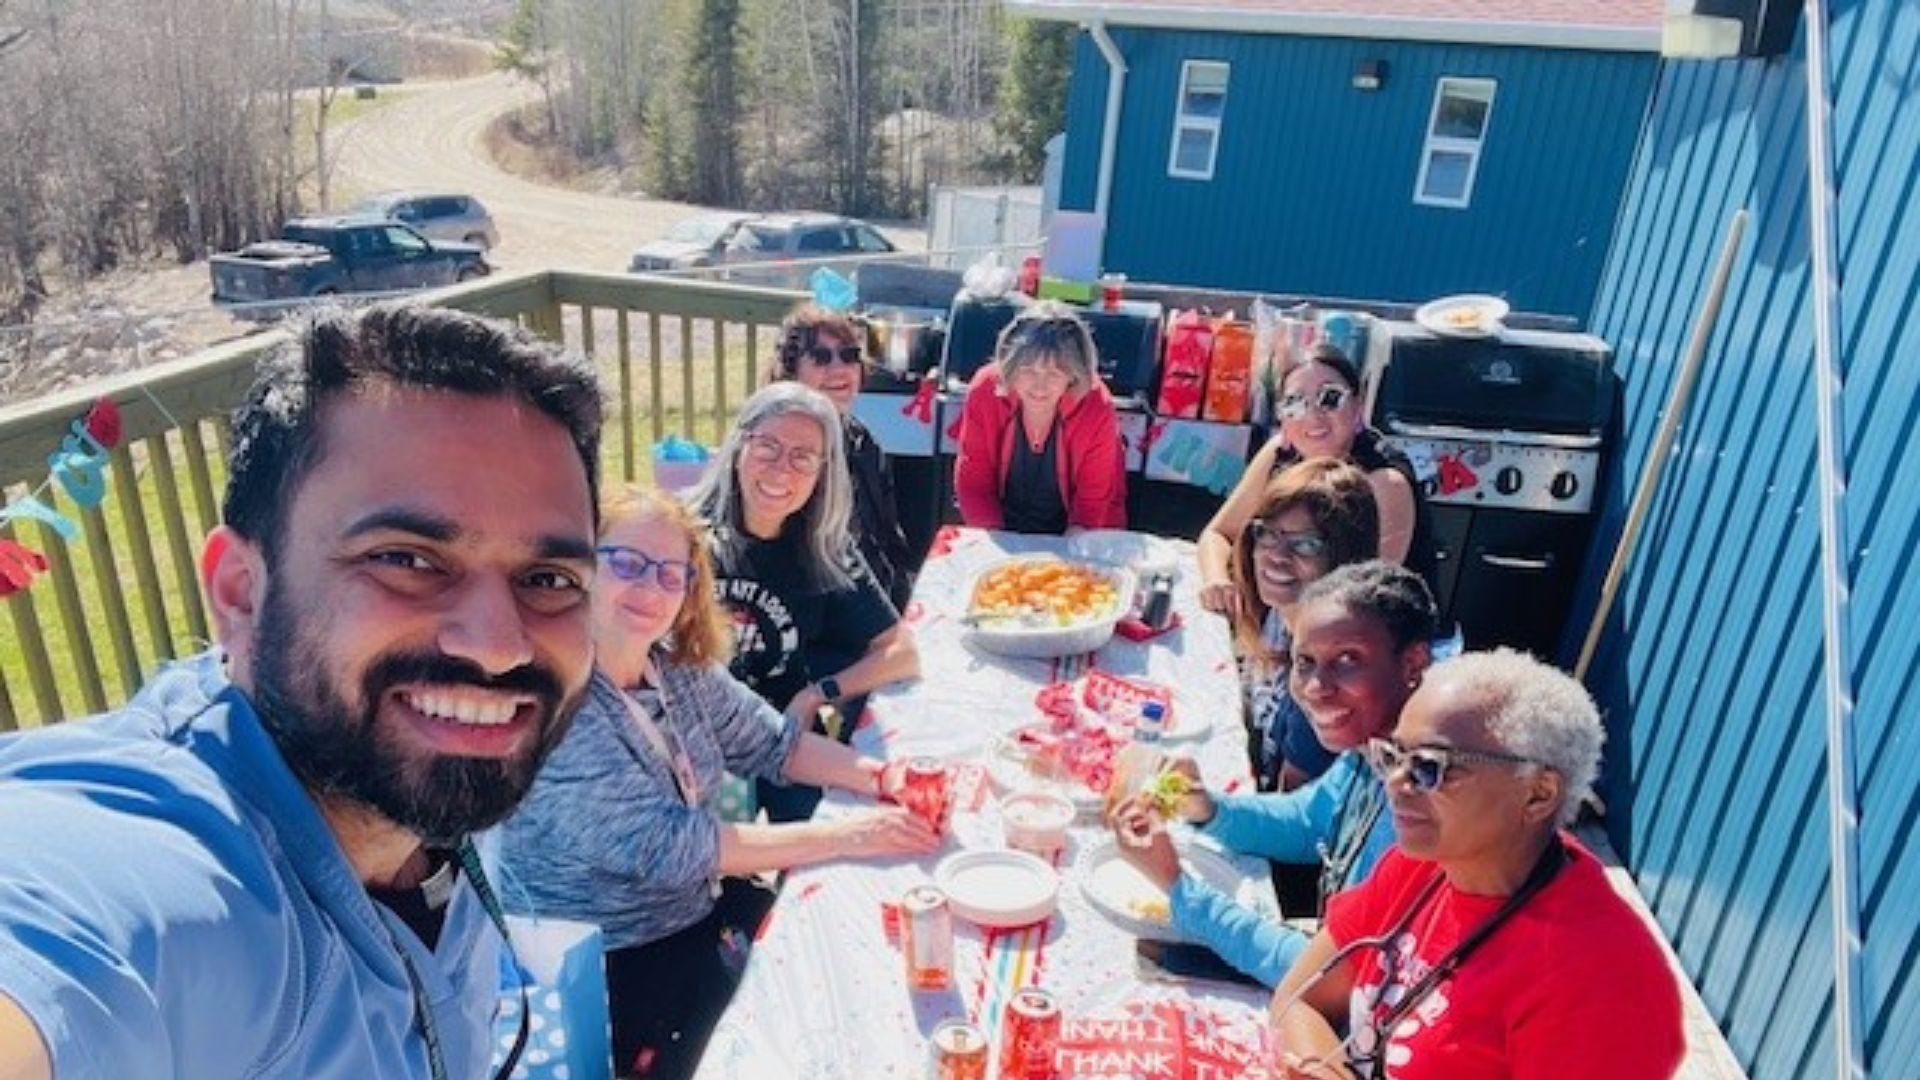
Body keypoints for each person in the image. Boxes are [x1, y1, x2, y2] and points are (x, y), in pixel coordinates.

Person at [0, 304, 605, 1080]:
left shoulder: (417, 779)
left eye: (548, 579)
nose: (497, 646)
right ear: (240, 591)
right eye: (406, 560)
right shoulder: (158, 865)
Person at [499, 485, 940, 1080]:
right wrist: (854, 834)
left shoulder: (674, 667)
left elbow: (777, 745)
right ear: (582, 568)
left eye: (670, 573)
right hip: (610, 965)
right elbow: (680, 848)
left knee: (861, 957)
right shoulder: (558, 708)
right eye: (627, 563)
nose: (650, 587)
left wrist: (887, 776)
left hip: (698, 910)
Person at [1269, 649, 1686, 1080]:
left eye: (1430, 767)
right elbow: (1299, 1000)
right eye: (1392, 755)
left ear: (1538, 793)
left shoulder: (1598, 984)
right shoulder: (1424, 865)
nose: (1395, 782)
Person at [1108, 561, 1438, 988]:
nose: (1316, 686)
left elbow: (1336, 978)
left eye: (1347, 660)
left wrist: (1178, 886)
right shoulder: (1373, 750)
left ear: (1413, 664)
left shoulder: (1425, 804)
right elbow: (1307, 821)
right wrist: (1207, 808)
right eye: (1305, 661)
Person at [690, 382, 920, 822]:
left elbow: (901, 652)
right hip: (693, 738)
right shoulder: (681, 538)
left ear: (822, 473)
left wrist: (818, 693)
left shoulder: (824, 549)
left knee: (853, 820)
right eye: (768, 446)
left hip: (785, 735)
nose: (782, 469)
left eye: (803, 457)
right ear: (738, 446)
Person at [1197, 343, 1436, 616]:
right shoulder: (1279, 453)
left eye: (1330, 398)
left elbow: (1362, 607)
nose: (1312, 415)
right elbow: (1219, 534)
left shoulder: (1384, 484)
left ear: (1359, 404)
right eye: (1294, 402)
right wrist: (1217, 581)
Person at [1230, 459, 1382, 792]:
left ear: (1344, 558)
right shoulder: (1278, 613)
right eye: (1267, 534)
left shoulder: (1326, 680)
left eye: (1306, 544)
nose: (1276, 555)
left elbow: (1292, 809)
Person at [767, 303, 917, 609]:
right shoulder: (777, 451)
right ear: (791, 370)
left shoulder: (862, 439)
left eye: (849, 355)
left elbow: (889, 541)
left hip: (877, 603)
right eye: (821, 357)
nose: (839, 369)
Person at [954, 300, 1126, 533]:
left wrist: (1069, 551)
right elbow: (974, 483)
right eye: (1028, 370)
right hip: (1000, 528)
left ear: (1073, 376)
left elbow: (1091, 502)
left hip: (1080, 530)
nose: (1040, 385)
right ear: (1010, 367)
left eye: (1054, 373)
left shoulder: (1097, 406)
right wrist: (996, 542)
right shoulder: (985, 389)